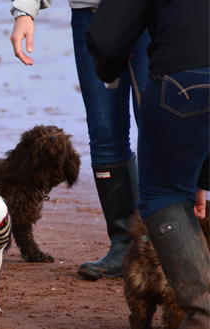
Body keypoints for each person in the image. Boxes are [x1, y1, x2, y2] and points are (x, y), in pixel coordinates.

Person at [86, 0, 210, 327]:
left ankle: (201, 315)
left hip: (183, 76)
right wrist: (200, 180)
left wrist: (107, 71)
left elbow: (108, 38)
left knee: (164, 196)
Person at [9, 0, 151, 279]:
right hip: (91, 12)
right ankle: (123, 245)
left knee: (158, 127)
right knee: (104, 133)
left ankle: (161, 244)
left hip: (153, 12)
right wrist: (25, 10)